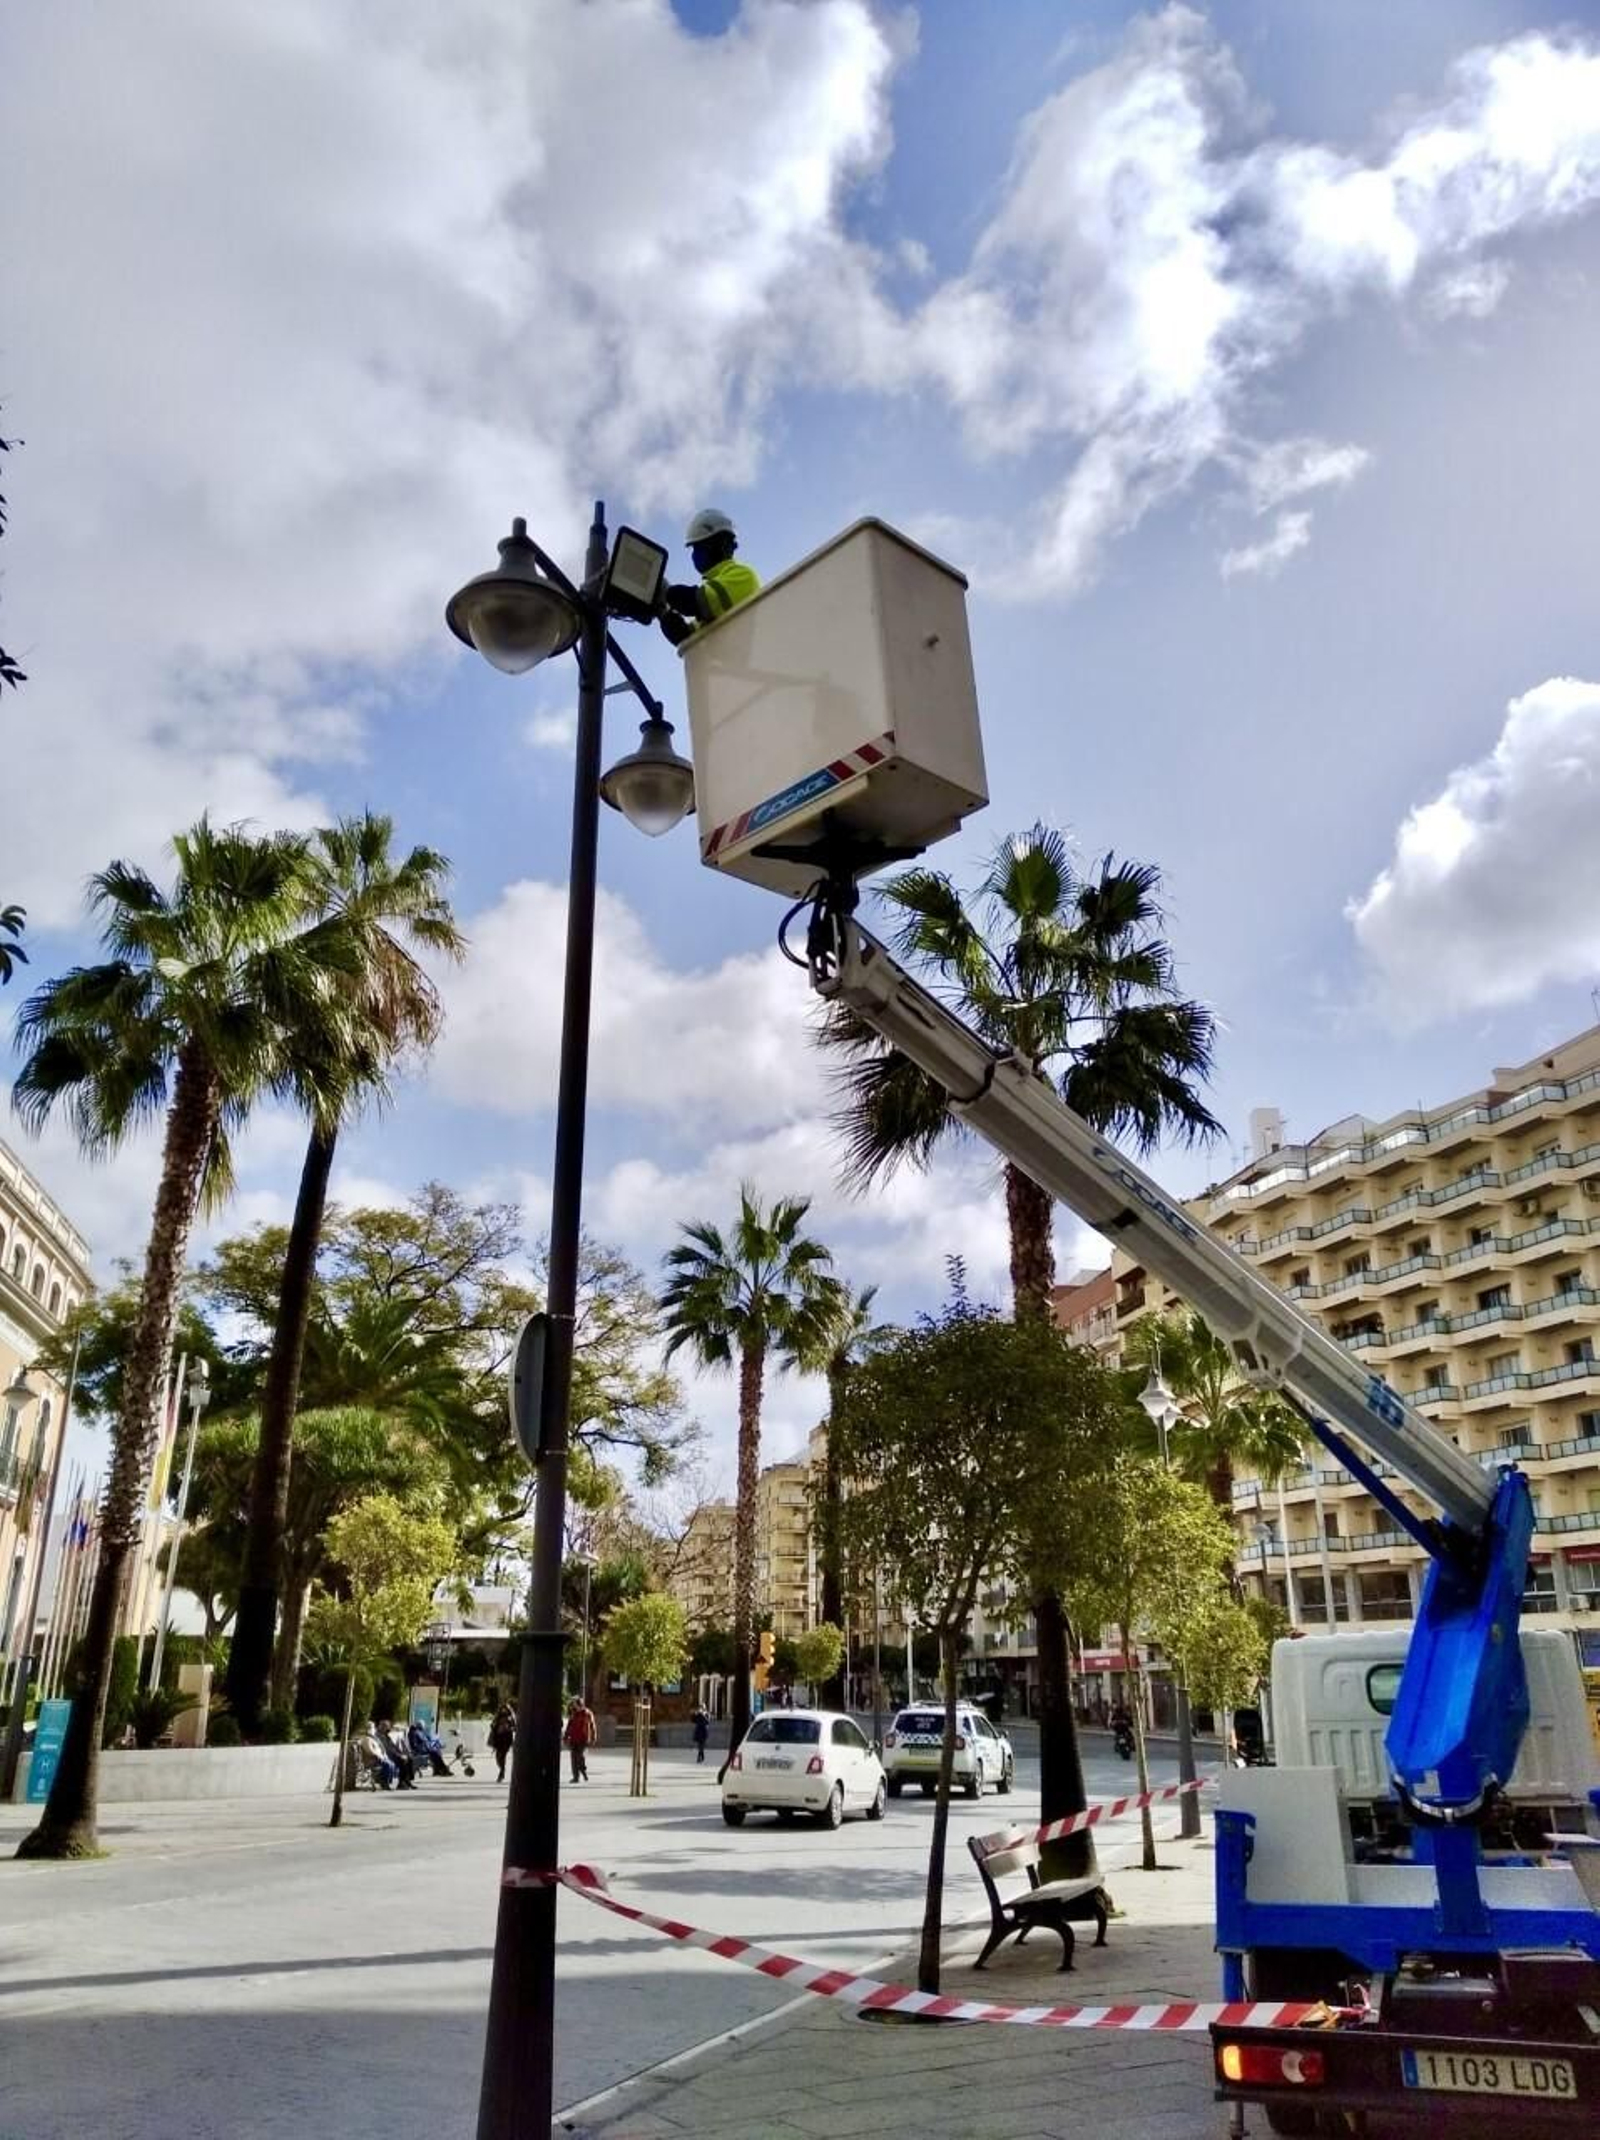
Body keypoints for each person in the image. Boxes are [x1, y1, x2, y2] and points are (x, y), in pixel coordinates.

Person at [656, 508, 760, 646]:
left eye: (698, 547)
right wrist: (661, 611)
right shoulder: (711, 606)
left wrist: (664, 590)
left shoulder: (744, 576)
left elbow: (694, 601)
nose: (694, 555)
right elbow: (684, 638)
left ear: (720, 544)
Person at [563, 1696, 596, 1783]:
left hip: (583, 1739)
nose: (573, 1706)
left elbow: (593, 1726)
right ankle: (576, 1777)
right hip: (573, 1739)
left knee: (580, 1757)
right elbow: (569, 1726)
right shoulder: (573, 1713)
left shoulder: (587, 1713)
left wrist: (593, 1737)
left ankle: (583, 1770)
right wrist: (565, 1737)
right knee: (573, 1758)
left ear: (579, 1704)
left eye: (574, 1704)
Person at [489, 1702, 516, 1783]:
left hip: (506, 1740)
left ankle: (501, 1773)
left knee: (502, 1756)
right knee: (498, 1758)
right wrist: (495, 1726)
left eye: (505, 1709)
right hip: (498, 1740)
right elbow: (492, 1725)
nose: (504, 1710)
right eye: (502, 1709)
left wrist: (509, 1728)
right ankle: (502, 1770)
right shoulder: (498, 1717)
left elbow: (515, 1728)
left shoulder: (511, 1718)